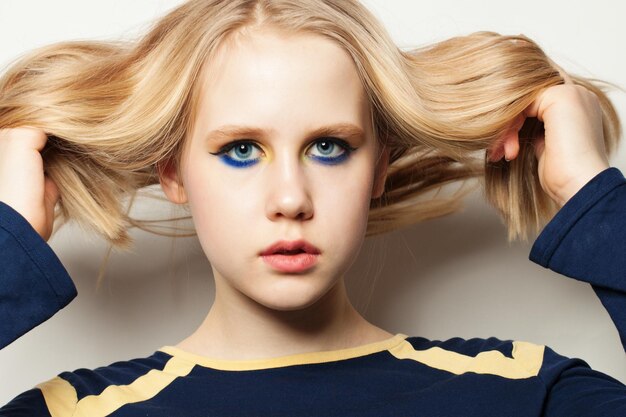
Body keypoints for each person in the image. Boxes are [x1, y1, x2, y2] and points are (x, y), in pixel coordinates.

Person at [0, 0, 625, 415]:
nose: (291, 200)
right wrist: (9, 240)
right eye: (241, 149)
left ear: (378, 166)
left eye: (329, 146)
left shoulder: (526, 393)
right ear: (173, 171)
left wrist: (588, 189)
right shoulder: (71, 412)